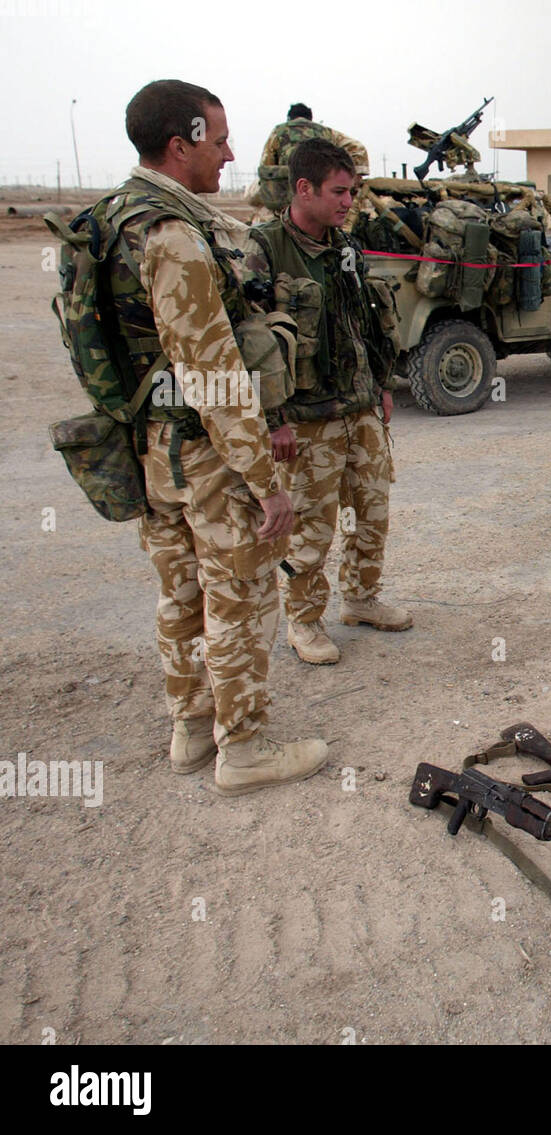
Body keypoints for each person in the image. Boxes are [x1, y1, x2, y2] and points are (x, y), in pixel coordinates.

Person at [114, 79, 326, 794]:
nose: (231, 153)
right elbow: (213, 372)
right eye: (220, 138)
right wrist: (263, 481)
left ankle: (191, 729)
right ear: (183, 145)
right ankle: (243, 750)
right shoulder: (173, 235)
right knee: (236, 595)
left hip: (154, 449)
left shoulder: (115, 218)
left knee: (179, 593)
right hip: (206, 453)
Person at [244, 138, 410, 665]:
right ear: (303, 188)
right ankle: (304, 620)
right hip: (306, 418)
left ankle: (361, 599)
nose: (348, 201)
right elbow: (252, 341)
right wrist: (272, 421)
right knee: (311, 527)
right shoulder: (265, 248)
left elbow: (367, 324)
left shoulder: (347, 246)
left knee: (373, 512)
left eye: (353, 191)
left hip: (359, 408)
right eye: (339, 192)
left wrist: (380, 385)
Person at [250, 103, 369, 226]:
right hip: (319, 189)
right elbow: (358, 147)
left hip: (286, 193)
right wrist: (354, 175)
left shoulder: (279, 131)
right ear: (310, 118)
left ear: (289, 118)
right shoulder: (325, 131)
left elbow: (266, 167)